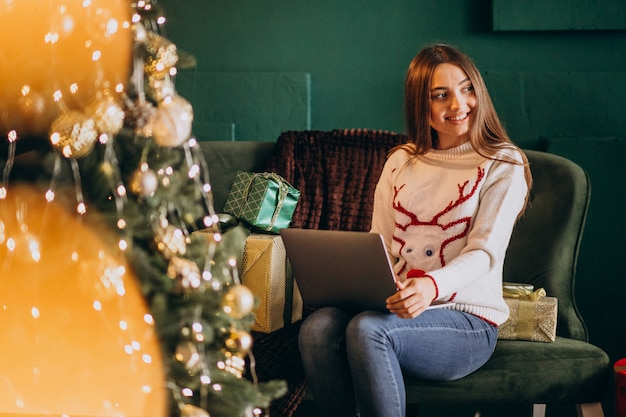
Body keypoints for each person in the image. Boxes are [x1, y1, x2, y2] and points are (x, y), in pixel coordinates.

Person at [298, 44, 533, 417]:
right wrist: (368, 286)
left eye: (466, 88)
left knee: (367, 330)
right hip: (395, 306)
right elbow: (382, 246)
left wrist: (430, 286)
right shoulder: (401, 161)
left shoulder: (503, 162)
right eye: (440, 96)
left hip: (467, 321)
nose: (458, 105)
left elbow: (484, 254)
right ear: (420, 107)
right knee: (317, 329)